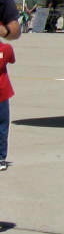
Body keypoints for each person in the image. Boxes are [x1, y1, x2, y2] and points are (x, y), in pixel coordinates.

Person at [0, 38, 14, 172]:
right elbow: (12, 59)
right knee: (2, 127)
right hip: (2, 92)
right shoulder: (6, 48)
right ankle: (1, 158)